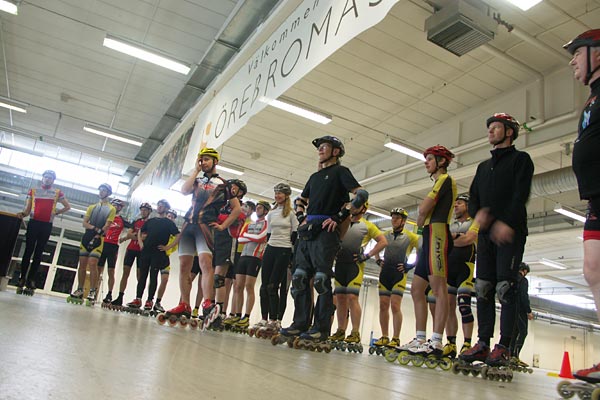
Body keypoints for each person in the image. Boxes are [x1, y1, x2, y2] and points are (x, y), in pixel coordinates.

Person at [459, 113, 534, 367]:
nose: (490, 131)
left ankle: (504, 346)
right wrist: (478, 214)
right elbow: (474, 197)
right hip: (486, 235)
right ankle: (482, 343)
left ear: (509, 131)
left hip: (510, 233)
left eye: (496, 127)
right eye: (489, 127)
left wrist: (505, 222)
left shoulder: (521, 160)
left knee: (506, 288)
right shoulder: (483, 167)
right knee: (483, 287)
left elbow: (520, 194)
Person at [279, 135, 367, 351]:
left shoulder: (341, 172)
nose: (320, 150)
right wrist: (301, 218)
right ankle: (300, 323)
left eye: (324, 147)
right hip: (308, 230)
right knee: (299, 278)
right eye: (319, 147)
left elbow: (361, 194)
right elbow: (301, 200)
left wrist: (338, 217)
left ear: (336, 151)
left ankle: (321, 328)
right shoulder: (314, 176)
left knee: (321, 279)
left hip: (327, 233)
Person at [563, 29, 600, 382]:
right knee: (593, 270)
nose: (572, 60)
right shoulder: (592, 99)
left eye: (578, 52)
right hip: (595, 199)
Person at [170, 148, 240, 322]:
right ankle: (184, 304)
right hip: (189, 224)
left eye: (207, 159)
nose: (204, 162)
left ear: (215, 161)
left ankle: (207, 302)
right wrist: (195, 171)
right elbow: (184, 191)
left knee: (205, 263)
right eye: (202, 160)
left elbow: (237, 208)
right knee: (184, 265)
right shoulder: (197, 179)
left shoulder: (224, 183)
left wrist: (224, 225)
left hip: (205, 226)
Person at [404, 145, 456, 358]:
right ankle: (420, 338)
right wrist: (420, 217)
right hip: (428, 234)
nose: (426, 162)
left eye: (430, 159)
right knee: (417, 288)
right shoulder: (437, 182)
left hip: (438, 233)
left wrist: (422, 215)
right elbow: (420, 213)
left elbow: (423, 210)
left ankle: (436, 341)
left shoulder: (445, 179)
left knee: (438, 288)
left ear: (441, 162)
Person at [328, 201, 387, 350]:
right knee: (340, 298)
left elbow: (383, 241)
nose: (354, 208)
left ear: (364, 208)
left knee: (352, 298)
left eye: (357, 206)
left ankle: (355, 332)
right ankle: (341, 330)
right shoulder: (342, 222)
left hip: (355, 266)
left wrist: (367, 256)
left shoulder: (368, 225)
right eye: (353, 205)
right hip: (340, 264)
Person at [254, 183, 298, 336]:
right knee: (264, 286)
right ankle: (264, 318)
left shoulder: (291, 214)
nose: (277, 195)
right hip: (271, 248)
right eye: (276, 193)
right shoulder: (271, 213)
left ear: (286, 195)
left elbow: (295, 234)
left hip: (284, 249)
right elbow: (268, 233)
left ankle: (275, 320)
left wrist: (292, 255)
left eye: (280, 193)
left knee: (273, 286)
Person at [16, 170, 70, 293]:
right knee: (28, 251)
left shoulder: (57, 192)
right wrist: (23, 214)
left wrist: (56, 212)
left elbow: (68, 206)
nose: (47, 179)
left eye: (50, 178)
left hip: (46, 225)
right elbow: (28, 209)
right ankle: (22, 278)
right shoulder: (34, 191)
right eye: (46, 177)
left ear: (53, 180)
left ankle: (31, 279)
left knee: (38, 253)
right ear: (42, 178)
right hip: (33, 223)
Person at [372, 207, 419, 349]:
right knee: (383, 305)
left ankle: (396, 338)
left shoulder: (410, 236)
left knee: (395, 305)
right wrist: (378, 259)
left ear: (403, 221)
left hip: (399, 274)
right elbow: (377, 245)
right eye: (392, 218)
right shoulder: (386, 234)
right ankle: (385, 336)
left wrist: (410, 265)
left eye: (397, 218)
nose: (394, 220)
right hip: (385, 272)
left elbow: (423, 251)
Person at [126, 199, 180, 311]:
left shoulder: (169, 223)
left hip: (158, 253)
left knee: (153, 276)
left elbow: (178, 235)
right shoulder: (151, 221)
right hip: (146, 251)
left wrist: (168, 247)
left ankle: (150, 300)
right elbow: (141, 230)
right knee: (142, 276)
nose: (159, 207)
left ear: (166, 208)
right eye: (159, 205)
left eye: (162, 206)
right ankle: (138, 298)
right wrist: (141, 243)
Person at [442, 194, 479, 358]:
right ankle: (450, 343)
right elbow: (444, 242)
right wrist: (458, 238)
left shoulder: (475, 222)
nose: (456, 205)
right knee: (449, 307)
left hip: (466, 268)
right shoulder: (451, 224)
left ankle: (467, 343)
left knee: (464, 306)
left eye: (460, 203)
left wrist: (454, 238)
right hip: (450, 268)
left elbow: (469, 239)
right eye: (455, 203)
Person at [205, 178, 244, 328]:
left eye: (234, 187)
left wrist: (218, 218)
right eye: (230, 186)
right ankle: (212, 309)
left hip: (228, 242)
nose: (231, 188)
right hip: (215, 241)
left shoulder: (239, 206)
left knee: (219, 278)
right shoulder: (223, 203)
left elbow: (235, 217)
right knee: (212, 278)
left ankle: (219, 313)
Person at [227, 200, 270, 333]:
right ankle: (237, 315)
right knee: (238, 286)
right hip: (244, 256)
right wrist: (251, 236)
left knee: (248, 286)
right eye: (256, 207)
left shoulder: (267, 224)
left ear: (266, 211)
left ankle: (246, 316)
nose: (257, 209)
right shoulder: (250, 224)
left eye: (260, 208)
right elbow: (240, 238)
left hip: (255, 257)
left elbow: (261, 238)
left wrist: (248, 236)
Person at [70, 183, 116, 303]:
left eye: (104, 190)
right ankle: (80, 289)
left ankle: (92, 290)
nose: (101, 192)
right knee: (82, 264)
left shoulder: (111, 209)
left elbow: (107, 226)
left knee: (93, 263)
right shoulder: (92, 207)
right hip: (87, 236)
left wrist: (98, 232)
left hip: (99, 239)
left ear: (108, 193)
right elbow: (84, 223)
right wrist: (95, 228)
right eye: (100, 190)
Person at [110, 202, 152, 308]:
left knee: (140, 275)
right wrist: (136, 236)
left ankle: (138, 298)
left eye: (145, 210)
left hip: (142, 251)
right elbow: (130, 234)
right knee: (125, 273)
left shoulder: (151, 223)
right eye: (142, 210)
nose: (143, 212)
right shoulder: (136, 222)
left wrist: (135, 236)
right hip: (131, 249)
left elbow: (145, 237)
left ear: (149, 212)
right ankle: (120, 296)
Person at [98, 198, 128, 305]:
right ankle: (93, 291)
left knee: (111, 271)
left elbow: (134, 229)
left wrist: (125, 238)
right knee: (98, 269)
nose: (117, 207)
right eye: (115, 205)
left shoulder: (122, 220)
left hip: (113, 246)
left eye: (119, 206)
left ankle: (109, 294)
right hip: (102, 244)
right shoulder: (105, 217)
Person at [510, 262, 533, 366]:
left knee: (513, 333)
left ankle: (509, 355)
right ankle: (515, 356)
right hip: (520, 310)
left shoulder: (511, 278)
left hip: (510, 309)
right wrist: (528, 311)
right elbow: (524, 296)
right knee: (523, 332)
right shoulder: (523, 280)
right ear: (524, 271)